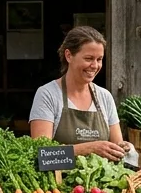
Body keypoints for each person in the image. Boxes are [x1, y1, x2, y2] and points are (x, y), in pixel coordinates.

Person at [29, 26, 130, 161]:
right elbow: (42, 154)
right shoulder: (48, 95)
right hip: (58, 181)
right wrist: (90, 149)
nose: (95, 66)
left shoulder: (105, 97)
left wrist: (123, 148)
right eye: (89, 58)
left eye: (99, 59)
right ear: (69, 56)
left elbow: (117, 146)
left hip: (101, 181)